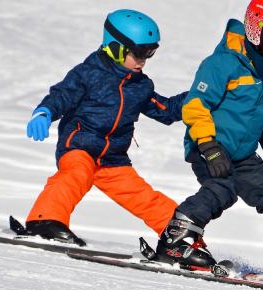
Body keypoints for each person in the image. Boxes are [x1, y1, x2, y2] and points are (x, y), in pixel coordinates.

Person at [153, 0, 263, 286]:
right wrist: (208, 144)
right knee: (222, 188)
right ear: (257, 31)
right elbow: (195, 105)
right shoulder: (222, 64)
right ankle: (176, 240)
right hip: (208, 148)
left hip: (243, 156)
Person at [23, 9, 186, 246]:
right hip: (80, 147)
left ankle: (181, 240)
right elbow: (62, 95)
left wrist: (202, 97)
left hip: (112, 159)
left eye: (149, 53)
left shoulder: (140, 85)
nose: (143, 60)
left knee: (144, 197)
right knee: (75, 175)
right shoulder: (87, 74)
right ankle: (45, 220)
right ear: (116, 47)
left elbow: (166, 110)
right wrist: (44, 112)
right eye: (139, 53)